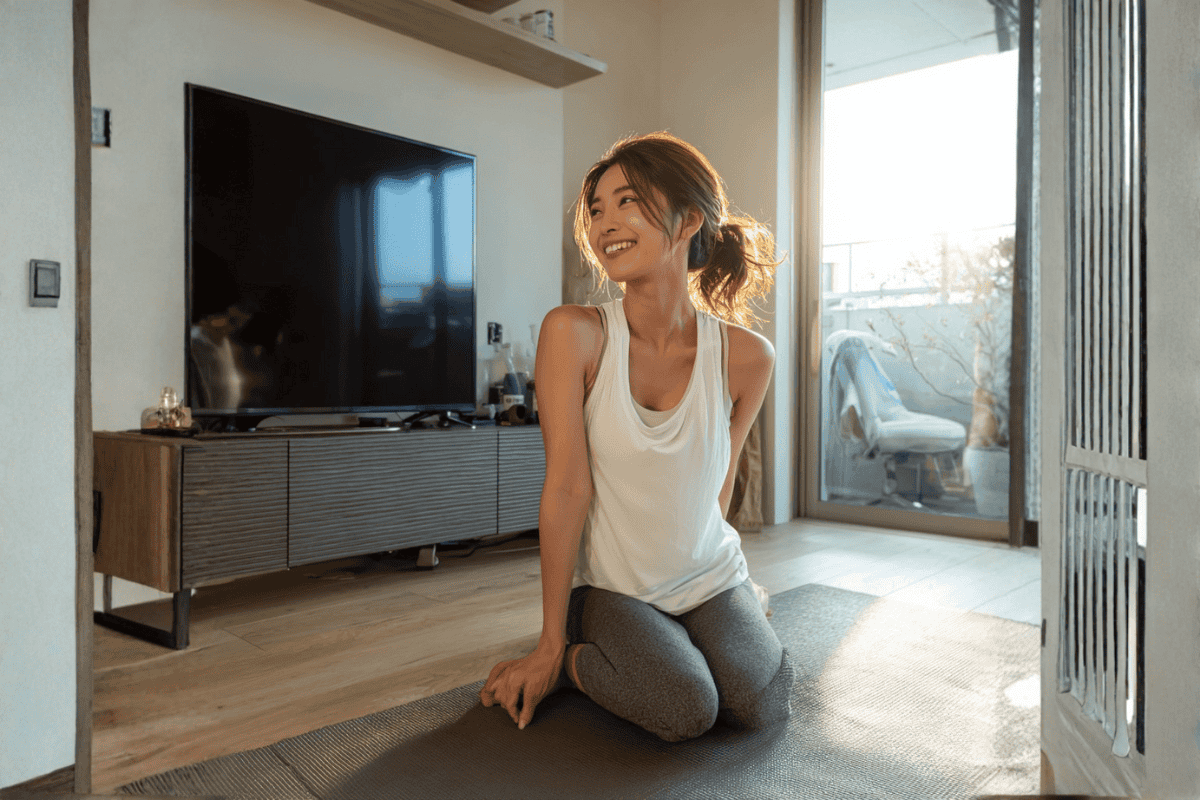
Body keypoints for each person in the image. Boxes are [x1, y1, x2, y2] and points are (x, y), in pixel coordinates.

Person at [479, 132, 793, 742]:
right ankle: (579, 661)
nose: (605, 223)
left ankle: (712, 621)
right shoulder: (574, 334)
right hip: (611, 589)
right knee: (686, 709)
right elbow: (566, 488)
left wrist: (732, 594)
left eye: (627, 201)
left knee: (760, 705)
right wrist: (549, 645)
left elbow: (719, 479)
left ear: (688, 221)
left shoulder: (748, 356)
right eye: (596, 209)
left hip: (710, 576)